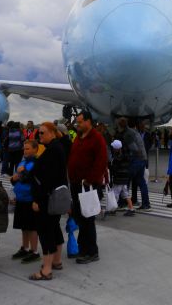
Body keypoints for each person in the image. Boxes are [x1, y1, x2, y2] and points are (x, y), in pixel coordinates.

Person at [28, 122, 68, 280]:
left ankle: (46, 269)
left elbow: (47, 179)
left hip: (47, 198)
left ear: (52, 132)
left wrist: (38, 199)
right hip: (54, 197)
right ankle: (56, 261)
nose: (39, 136)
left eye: (43, 133)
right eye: (39, 133)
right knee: (54, 228)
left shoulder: (53, 150)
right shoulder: (57, 148)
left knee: (46, 233)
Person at [67, 110, 108, 264]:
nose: (78, 124)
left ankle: (91, 251)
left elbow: (101, 161)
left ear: (89, 121)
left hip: (88, 186)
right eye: (77, 121)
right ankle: (83, 248)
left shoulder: (97, 138)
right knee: (79, 217)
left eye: (81, 121)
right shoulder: (79, 137)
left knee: (87, 218)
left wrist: (90, 180)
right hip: (76, 184)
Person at [10, 140, 41, 264]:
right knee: (23, 226)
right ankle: (25, 247)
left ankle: (34, 251)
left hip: (30, 198)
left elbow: (35, 179)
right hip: (21, 198)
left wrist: (23, 173)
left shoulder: (37, 163)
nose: (25, 151)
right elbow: (16, 179)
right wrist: (13, 179)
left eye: (28, 149)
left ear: (35, 149)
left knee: (32, 226)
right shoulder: (22, 162)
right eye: (24, 149)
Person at [117, 117, 150, 210]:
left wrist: (126, 157)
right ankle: (146, 204)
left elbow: (135, 149)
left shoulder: (128, 134)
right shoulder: (133, 131)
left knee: (125, 179)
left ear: (120, 125)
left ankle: (123, 202)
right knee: (141, 182)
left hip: (137, 160)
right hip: (143, 159)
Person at [109, 139, 135, 216]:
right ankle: (131, 209)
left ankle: (113, 210)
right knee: (125, 194)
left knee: (115, 194)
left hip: (118, 179)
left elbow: (114, 168)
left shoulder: (116, 158)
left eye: (113, 147)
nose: (113, 149)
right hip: (125, 178)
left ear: (116, 149)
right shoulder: (125, 155)